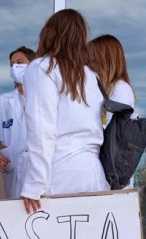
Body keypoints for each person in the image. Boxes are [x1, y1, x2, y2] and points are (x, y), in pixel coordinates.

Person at [20, 9, 109, 213]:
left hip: (59, 173)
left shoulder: (42, 68)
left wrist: (35, 183)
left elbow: (42, 130)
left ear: (48, 33)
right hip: (93, 174)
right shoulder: (91, 75)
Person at [0, 46, 34, 199]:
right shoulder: (3, 101)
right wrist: (1, 151)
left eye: (20, 62)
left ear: (33, 65)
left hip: (36, 171)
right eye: (11, 64)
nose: (15, 67)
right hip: (10, 170)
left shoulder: (44, 98)